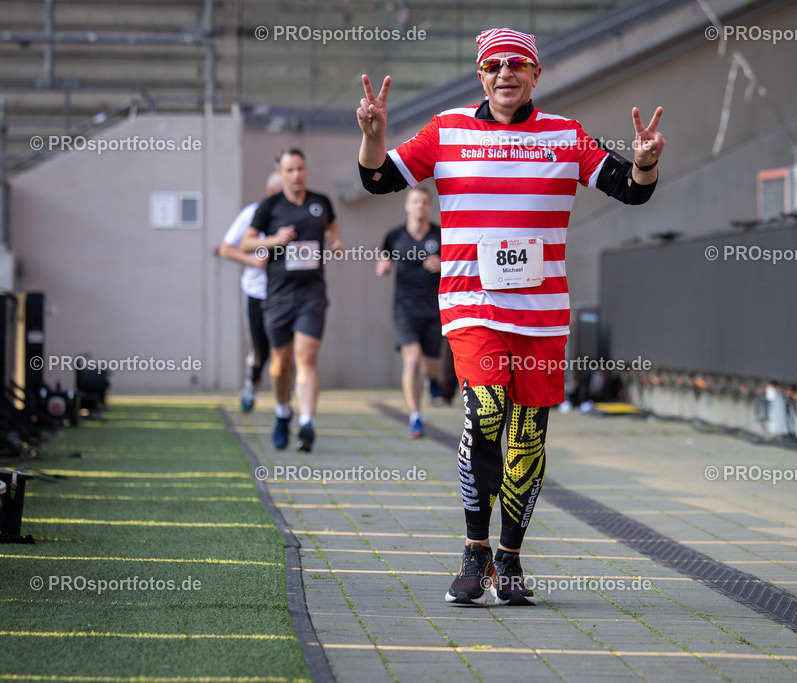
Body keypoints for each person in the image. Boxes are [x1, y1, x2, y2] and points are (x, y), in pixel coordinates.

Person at [356, 27, 665, 606]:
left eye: (517, 65)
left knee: (526, 439)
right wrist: (372, 137)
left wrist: (644, 163)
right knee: (487, 410)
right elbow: (377, 179)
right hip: (473, 305)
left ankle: (511, 559)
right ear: (481, 74)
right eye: (494, 65)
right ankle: (474, 552)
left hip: (542, 317)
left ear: (535, 76)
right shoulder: (448, 131)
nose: (505, 73)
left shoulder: (566, 137)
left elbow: (631, 190)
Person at [240, 149, 343, 453]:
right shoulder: (269, 207)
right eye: (290, 170)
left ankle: (307, 421)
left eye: (300, 168)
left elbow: (333, 229)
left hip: (312, 294)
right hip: (279, 296)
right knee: (280, 365)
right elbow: (246, 242)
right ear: (281, 174)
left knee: (306, 357)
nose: (297, 175)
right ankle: (282, 413)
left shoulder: (320, 202)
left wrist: (335, 242)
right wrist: (274, 240)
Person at [375, 187, 444, 438]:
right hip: (405, 310)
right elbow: (384, 260)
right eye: (415, 201)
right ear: (407, 205)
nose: (419, 205)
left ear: (429, 207)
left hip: (435, 310)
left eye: (424, 202)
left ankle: (433, 379)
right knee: (412, 359)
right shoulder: (394, 236)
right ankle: (416, 417)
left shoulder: (440, 234)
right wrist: (383, 267)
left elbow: (459, 266)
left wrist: (442, 265)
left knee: (430, 366)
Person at [218, 170, 283, 413]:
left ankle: (284, 406)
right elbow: (226, 248)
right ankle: (251, 385)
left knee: (285, 349)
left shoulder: (296, 215)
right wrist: (254, 261)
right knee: (261, 350)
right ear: (271, 192)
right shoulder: (253, 214)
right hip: (257, 292)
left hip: (285, 293)